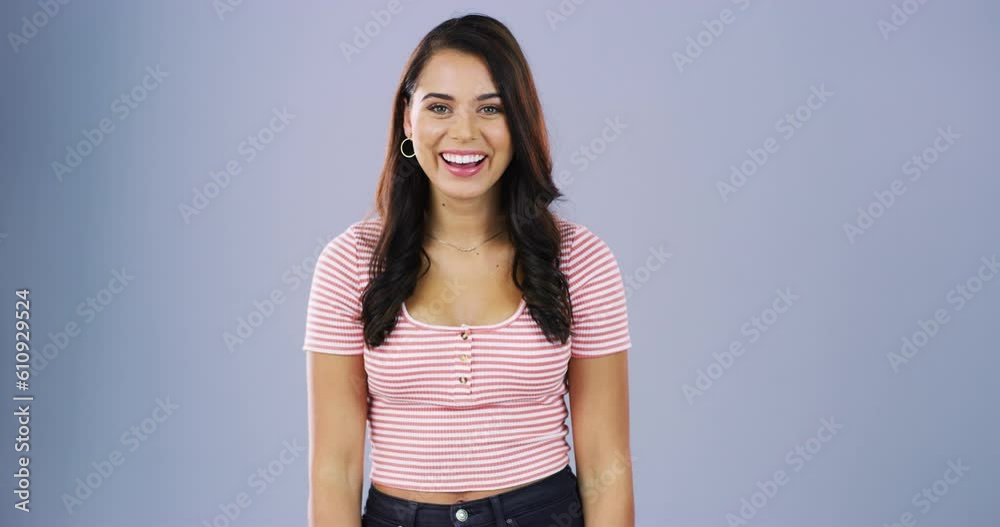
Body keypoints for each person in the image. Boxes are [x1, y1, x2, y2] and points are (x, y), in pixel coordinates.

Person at [303, 14, 634, 527]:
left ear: (518, 124)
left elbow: (606, 464)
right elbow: (334, 470)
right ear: (407, 120)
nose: (464, 133)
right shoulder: (350, 264)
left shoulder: (581, 260)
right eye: (439, 107)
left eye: (491, 109)